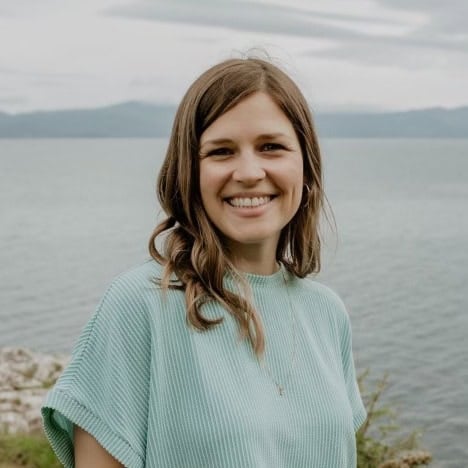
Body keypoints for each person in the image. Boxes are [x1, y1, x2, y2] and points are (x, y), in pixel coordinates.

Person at [41, 56, 366, 468]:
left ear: (306, 165)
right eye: (221, 151)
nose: (249, 172)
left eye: (271, 147)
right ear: (188, 172)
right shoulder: (138, 305)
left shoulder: (327, 313)